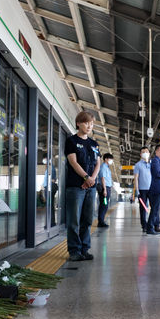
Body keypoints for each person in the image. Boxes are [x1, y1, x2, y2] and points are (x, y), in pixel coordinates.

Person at [64, 111, 101, 262]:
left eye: (91, 124)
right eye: (86, 123)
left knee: (87, 219)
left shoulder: (94, 144)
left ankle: (85, 249)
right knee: (74, 220)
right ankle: (74, 250)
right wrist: (86, 177)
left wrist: (92, 179)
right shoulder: (71, 141)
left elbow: (98, 163)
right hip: (75, 187)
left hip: (91, 187)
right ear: (78, 123)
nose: (89, 126)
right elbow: (73, 162)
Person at [132, 146, 152, 233]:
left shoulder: (151, 164)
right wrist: (137, 191)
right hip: (142, 190)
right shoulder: (138, 165)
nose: (145, 153)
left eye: (147, 151)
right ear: (140, 154)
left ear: (149, 153)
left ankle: (152, 224)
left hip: (152, 189)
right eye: (143, 152)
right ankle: (144, 225)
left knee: (154, 207)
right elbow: (136, 178)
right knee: (143, 208)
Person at [97, 153, 114, 227]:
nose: (111, 161)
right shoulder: (103, 167)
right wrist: (104, 190)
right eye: (110, 159)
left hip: (107, 188)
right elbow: (102, 178)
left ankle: (102, 220)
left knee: (105, 205)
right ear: (106, 159)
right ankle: (101, 222)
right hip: (105, 188)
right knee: (104, 205)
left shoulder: (107, 167)